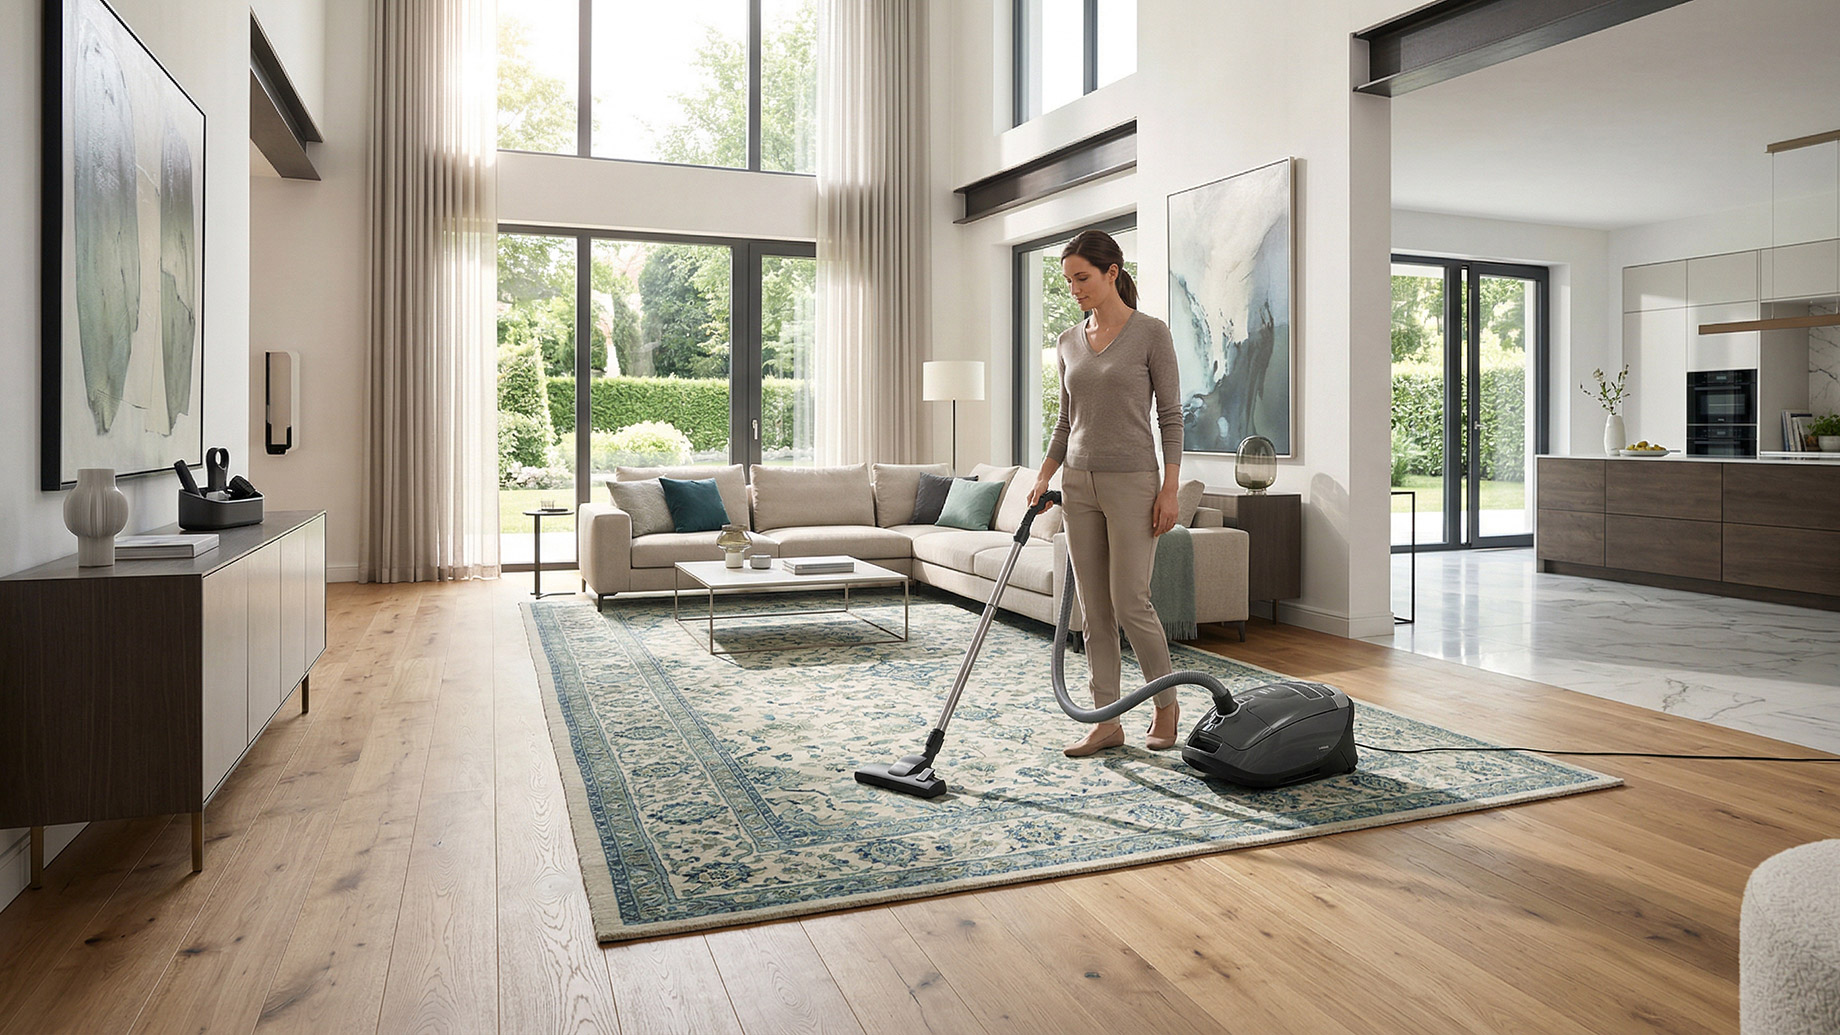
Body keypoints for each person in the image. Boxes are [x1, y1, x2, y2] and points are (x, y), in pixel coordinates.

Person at [1026, 229, 1185, 758]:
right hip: (1078, 483)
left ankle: (1166, 705)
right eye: (1068, 279)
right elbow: (1066, 419)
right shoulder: (1068, 341)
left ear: (1112, 272)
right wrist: (1045, 475)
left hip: (1134, 482)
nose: (1074, 288)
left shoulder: (1150, 334)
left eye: (1083, 277)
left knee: (1130, 601)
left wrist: (1169, 488)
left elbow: (1170, 417)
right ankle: (1106, 719)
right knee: (1093, 610)